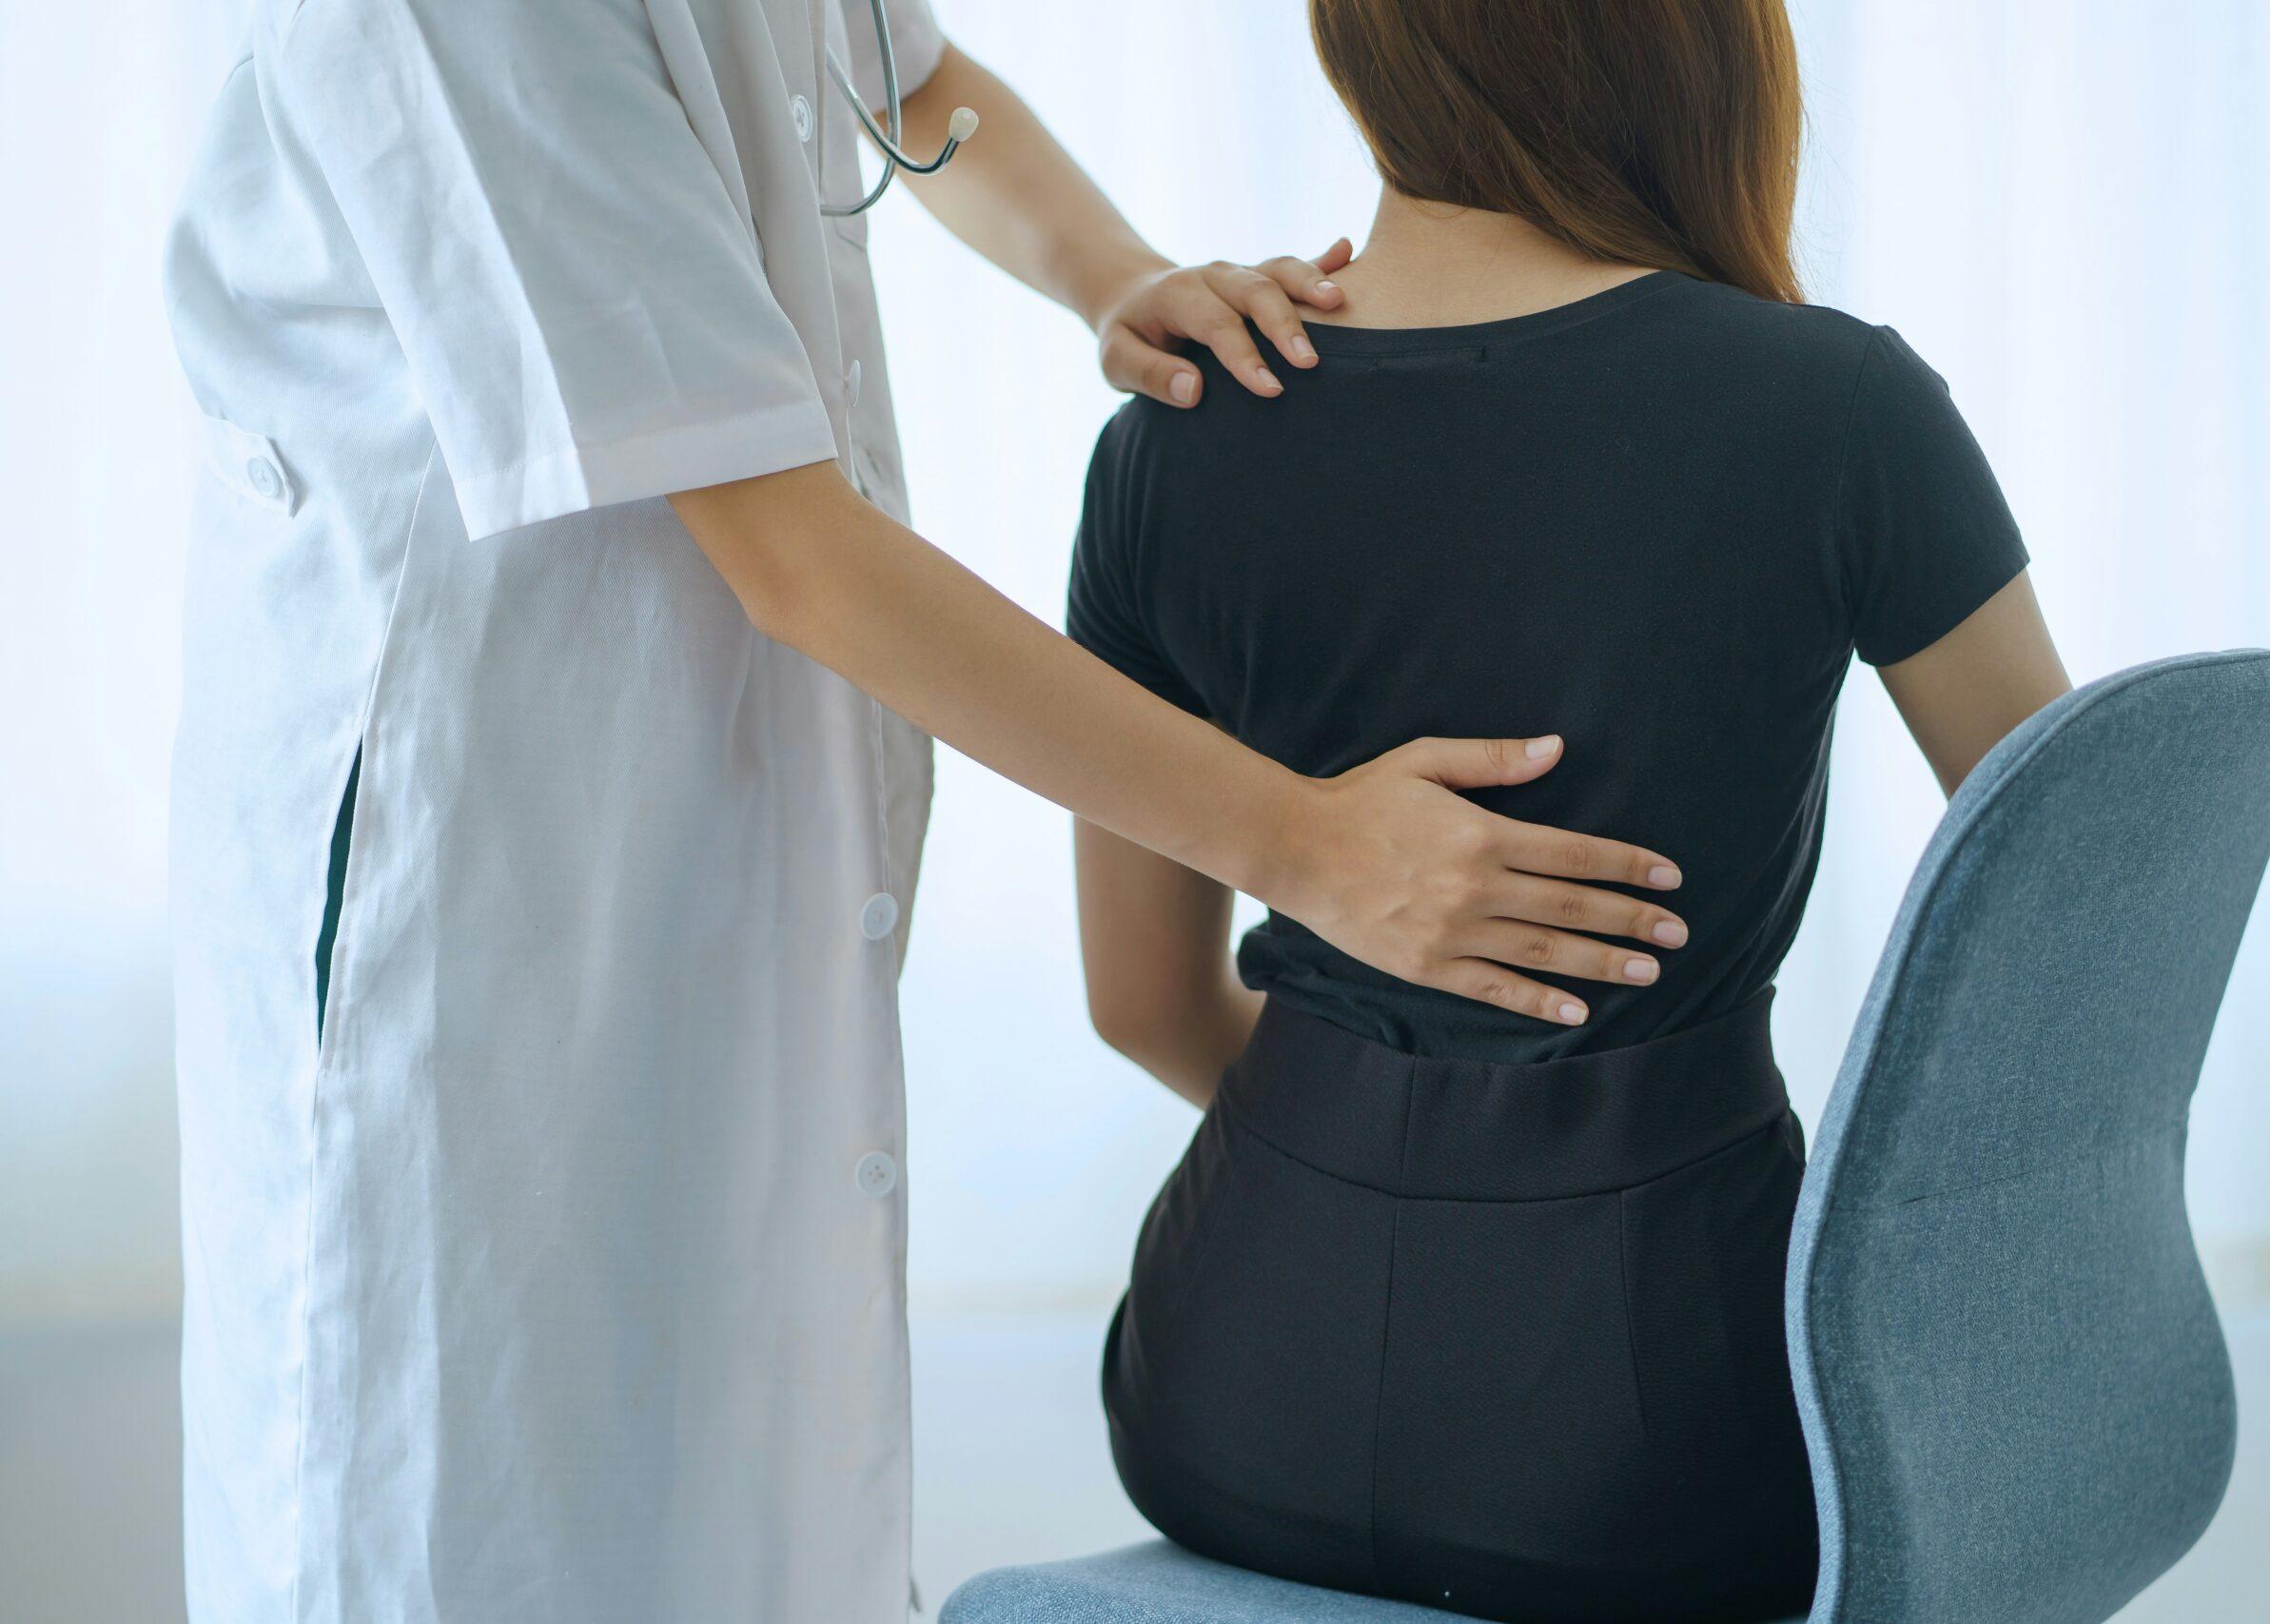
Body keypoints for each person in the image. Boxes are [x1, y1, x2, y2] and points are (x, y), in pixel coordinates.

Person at [159, 3, 1684, 1620]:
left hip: (715, 844)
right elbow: (793, 555)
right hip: (470, 880)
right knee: (475, 1499)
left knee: (730, 1475)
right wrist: (1308, 846)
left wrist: (1115, 277)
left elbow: (908, 79)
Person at [1072, 2, 2076, 1620]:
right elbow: (2082, 909)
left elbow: (1140, 1005)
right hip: (1654, 1446)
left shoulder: (1169, 434)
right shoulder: (1836, 407)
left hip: (1224, 1393)